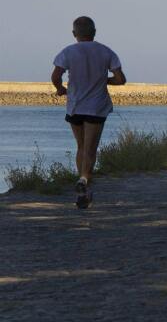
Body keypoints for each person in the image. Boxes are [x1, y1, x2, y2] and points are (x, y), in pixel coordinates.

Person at [51, 16, 126, 209]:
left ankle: (83, 186)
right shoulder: (106, 51)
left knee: (81, 146)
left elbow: (56, 75)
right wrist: (103, 79)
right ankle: (84, 181)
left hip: (75, 106)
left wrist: (60, 89)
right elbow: (120, 79)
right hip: (96, 107)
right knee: (91, 148)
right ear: (94, 32)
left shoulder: (68, 52)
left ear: (75, 34)